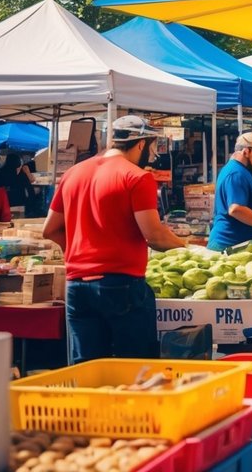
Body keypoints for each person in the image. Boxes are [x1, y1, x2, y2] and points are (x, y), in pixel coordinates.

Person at [44, 116, 186, 363]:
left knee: (86, 369)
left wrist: (79, 254)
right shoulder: (137, 177)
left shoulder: (73, 173)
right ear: (141, 144)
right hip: (120, 285)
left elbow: (50, 230)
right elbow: (154, 236)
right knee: (133, 369)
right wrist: (188, 248)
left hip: (76, 286)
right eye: (151, 146)